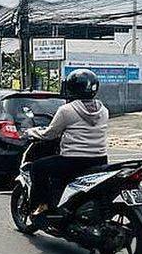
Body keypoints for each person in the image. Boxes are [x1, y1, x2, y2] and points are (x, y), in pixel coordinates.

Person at [24, 69, 109, 216]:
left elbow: (50, 134)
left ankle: (42, 205)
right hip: (100, 160)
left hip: (73, 161)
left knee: (38, 167)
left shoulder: (66, 110)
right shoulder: (104, 110)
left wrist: (31, 132)